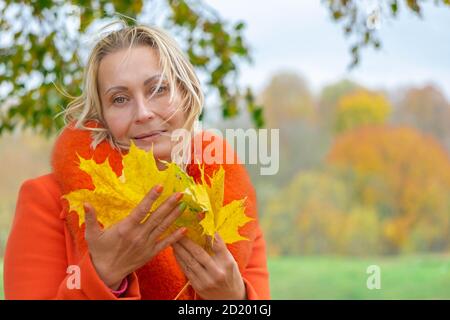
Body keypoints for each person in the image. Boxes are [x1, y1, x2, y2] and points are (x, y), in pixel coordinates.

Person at [3, 23, 270, 300]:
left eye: (158, 90)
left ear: (187, 96)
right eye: (119, 99)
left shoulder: (231, 205)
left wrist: (233, 299)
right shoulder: (47, 201)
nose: (143, 113)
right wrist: (103, 276)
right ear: (103, 116)